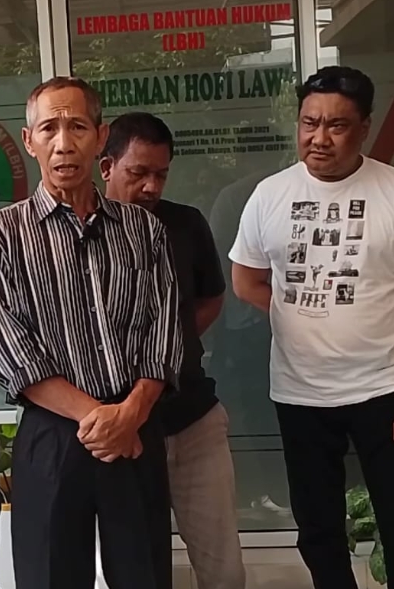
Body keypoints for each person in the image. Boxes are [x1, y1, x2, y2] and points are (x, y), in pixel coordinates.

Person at [229, 66, 394, 589]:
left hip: (385, 391)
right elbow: (246, 281)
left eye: (337, 125)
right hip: (300, 394)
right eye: (310, 123)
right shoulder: (269, 195)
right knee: (318, 531)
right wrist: (303, 314)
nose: (319, 138)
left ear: (364, 128)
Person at [0, 77, 183, 589]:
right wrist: (102, 421)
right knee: (50, 575)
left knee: (144, 574)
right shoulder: (1, 235)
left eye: (77, 127)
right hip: (53, 432)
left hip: (135, 424)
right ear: (29, 141)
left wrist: (130, 415)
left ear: (100, 137)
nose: (63, 143)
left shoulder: (144, 230)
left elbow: (164, 330)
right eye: (49, 128)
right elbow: (12, 351)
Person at [99, 111, 245, 589]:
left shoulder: (185, 224)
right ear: (106, 167)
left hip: (193, 416)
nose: (151, 187)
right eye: (138, 172)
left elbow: (211, 298)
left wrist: (172, 347)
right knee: (140, 566)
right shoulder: (83, 233)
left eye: (160, 174)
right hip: (124, 428)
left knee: (223, 569)